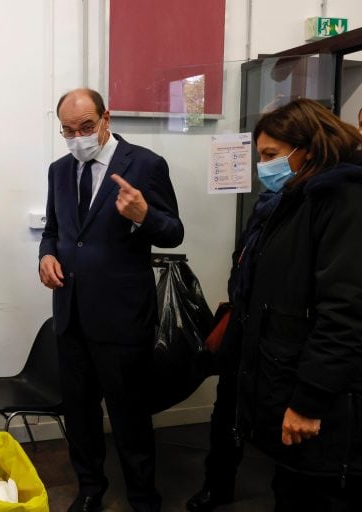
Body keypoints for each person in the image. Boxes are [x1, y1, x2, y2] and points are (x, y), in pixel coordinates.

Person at [39, 88, 184, 512]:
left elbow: (173, 232)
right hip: (71, 313)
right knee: (80, 415)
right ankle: (89, 491)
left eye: (86, 127)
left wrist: (144, 216)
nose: (78, 137)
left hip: (122, 317)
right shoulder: (59, 170)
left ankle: (143, 497)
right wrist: (46, 253)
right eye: (68, 131)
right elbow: (54, 228)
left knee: (130, 417)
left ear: (107, 119)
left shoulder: (145, 165)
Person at [236, 98, 362, 511]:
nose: (263, 167)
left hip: (326, 404)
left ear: (307, 148)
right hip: (285, 377)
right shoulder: (297, 198)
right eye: (260, 156)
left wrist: (308, 401)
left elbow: (344, 314)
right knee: (290, 490)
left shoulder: (344, 200)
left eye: (271, 155)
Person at [185, 189, 282, 512]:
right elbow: (242, 259)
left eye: (273, 153)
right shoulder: (266, 203)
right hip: (243, 325)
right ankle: (217, 486)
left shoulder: (319, 203)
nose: (265, 164)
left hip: (278, 334)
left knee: (277, 414)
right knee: (226, 410)